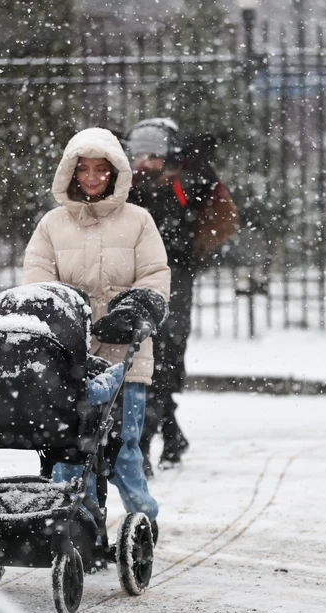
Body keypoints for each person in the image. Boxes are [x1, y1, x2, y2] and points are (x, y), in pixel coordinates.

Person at [22, 127, 170, 541]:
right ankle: (83, 527)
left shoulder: (138, 221)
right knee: (72, 449)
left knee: (124, 449)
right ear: (70, 173)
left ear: (114, 173)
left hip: (126, 354)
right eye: (83, 169)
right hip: (72, 354)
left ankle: (143, 518)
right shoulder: (52, 225)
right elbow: (37, 280)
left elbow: (155, 276)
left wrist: (132, 311)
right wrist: (64, 313)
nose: (91, 178)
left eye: (100, 170)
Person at [125, 118, 239, 475]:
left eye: (152, 156)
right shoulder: (124, 188)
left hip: (173, 283)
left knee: (162, 357)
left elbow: (218, 223)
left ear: (170, 156)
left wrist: (190, 252)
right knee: (142, 359)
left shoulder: (185, 185)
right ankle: (170, 436)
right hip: (133, 281)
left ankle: (144, 445)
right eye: (137, 156)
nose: (144, 164)